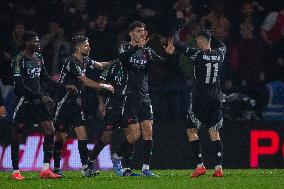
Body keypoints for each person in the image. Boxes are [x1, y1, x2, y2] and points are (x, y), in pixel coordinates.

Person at [10, 31, 77, 180]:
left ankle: (46, 169)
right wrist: (42, 96)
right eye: (35, 41)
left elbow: (45, 78)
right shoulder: (18, 60)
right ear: (27, 43)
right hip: (23, 102)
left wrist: (64, 86)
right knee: (17, 134)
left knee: (50, 130)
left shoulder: (39, 58)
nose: (38, 44)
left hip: (38, 102)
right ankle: (15, 171)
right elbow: (19, 87)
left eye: (38, 41)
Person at [111, 20, 173, 177]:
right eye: (138, 30)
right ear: (131, 32)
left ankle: (145, 168)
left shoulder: (147, 51)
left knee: (148, 132)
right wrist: (138, 47)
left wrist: (169, 54)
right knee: (135, 135)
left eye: (143, 30)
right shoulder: (125, 46)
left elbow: (163, 63)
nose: (141, 33)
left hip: (144, 97)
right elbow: (123, 58)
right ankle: (117, 156)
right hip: (129, 96)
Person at [166, 28, 226, 177]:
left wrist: (177, 28)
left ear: (200, 40)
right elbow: (223, 45)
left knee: (191, 130)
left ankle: (200, 166)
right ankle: (218, 168)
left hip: (200, 99)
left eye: (198, 40)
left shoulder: (197, 54)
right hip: (216, 99)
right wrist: (211, 34)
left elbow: (177, 43)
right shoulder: (220, 54)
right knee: (214, 132)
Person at [52, 35, 114, 177]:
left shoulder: (85, 60)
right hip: (63, 103)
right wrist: (104, 85)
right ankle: (56, 167)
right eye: (86, 45)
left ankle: (86, 168)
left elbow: (100, 65)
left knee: (82, 134)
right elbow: (86, 81)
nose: (89, 47)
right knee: (61, 137)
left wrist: (117, 62)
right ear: (79, 47)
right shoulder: (71, 62)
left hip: (76, 103)